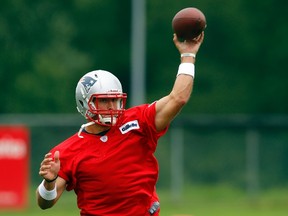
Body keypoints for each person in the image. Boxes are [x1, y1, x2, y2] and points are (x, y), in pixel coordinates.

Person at [36, 32, 204, 216]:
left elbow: (178, 98)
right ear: (85, 104)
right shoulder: (66, 152)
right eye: (104, 100)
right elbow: (45, 203)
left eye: (115, 100)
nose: (111, 106)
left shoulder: (138, 121)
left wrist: (188, 56)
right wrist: (49, 182)